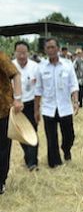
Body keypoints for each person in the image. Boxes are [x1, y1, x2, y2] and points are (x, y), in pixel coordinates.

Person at [34, 38, 80, 168]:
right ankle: (55, 163)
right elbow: (38, 90)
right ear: (45, 50)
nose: (50, 50)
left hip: (65, 107)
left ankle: (66, 149)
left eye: (53, 47)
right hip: (48, 108)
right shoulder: (41, 67)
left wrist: (75, 102)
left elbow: (73, 85)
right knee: (51, 138)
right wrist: (36, 110)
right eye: (48, 48)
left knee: (69, 135)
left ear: (58, 48)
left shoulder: (67, 65)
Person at [13, 41, 40, 170]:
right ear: (15, 53)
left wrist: (38, 107)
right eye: (19, 53)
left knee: (33, 131)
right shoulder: (10, 66)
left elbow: (39, 87)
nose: (22, 56)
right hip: (15, 106)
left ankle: (33, 162)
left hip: (30, 104)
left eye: (24, 53)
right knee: (21, 133)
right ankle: (28, 157)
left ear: (28, 53)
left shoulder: (35, 67)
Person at [0, 51, 23, 194]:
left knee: (2, 147)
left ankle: (1, 180)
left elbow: (16, 74)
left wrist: (18, 98)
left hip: (2, 110)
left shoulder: (1, 56)